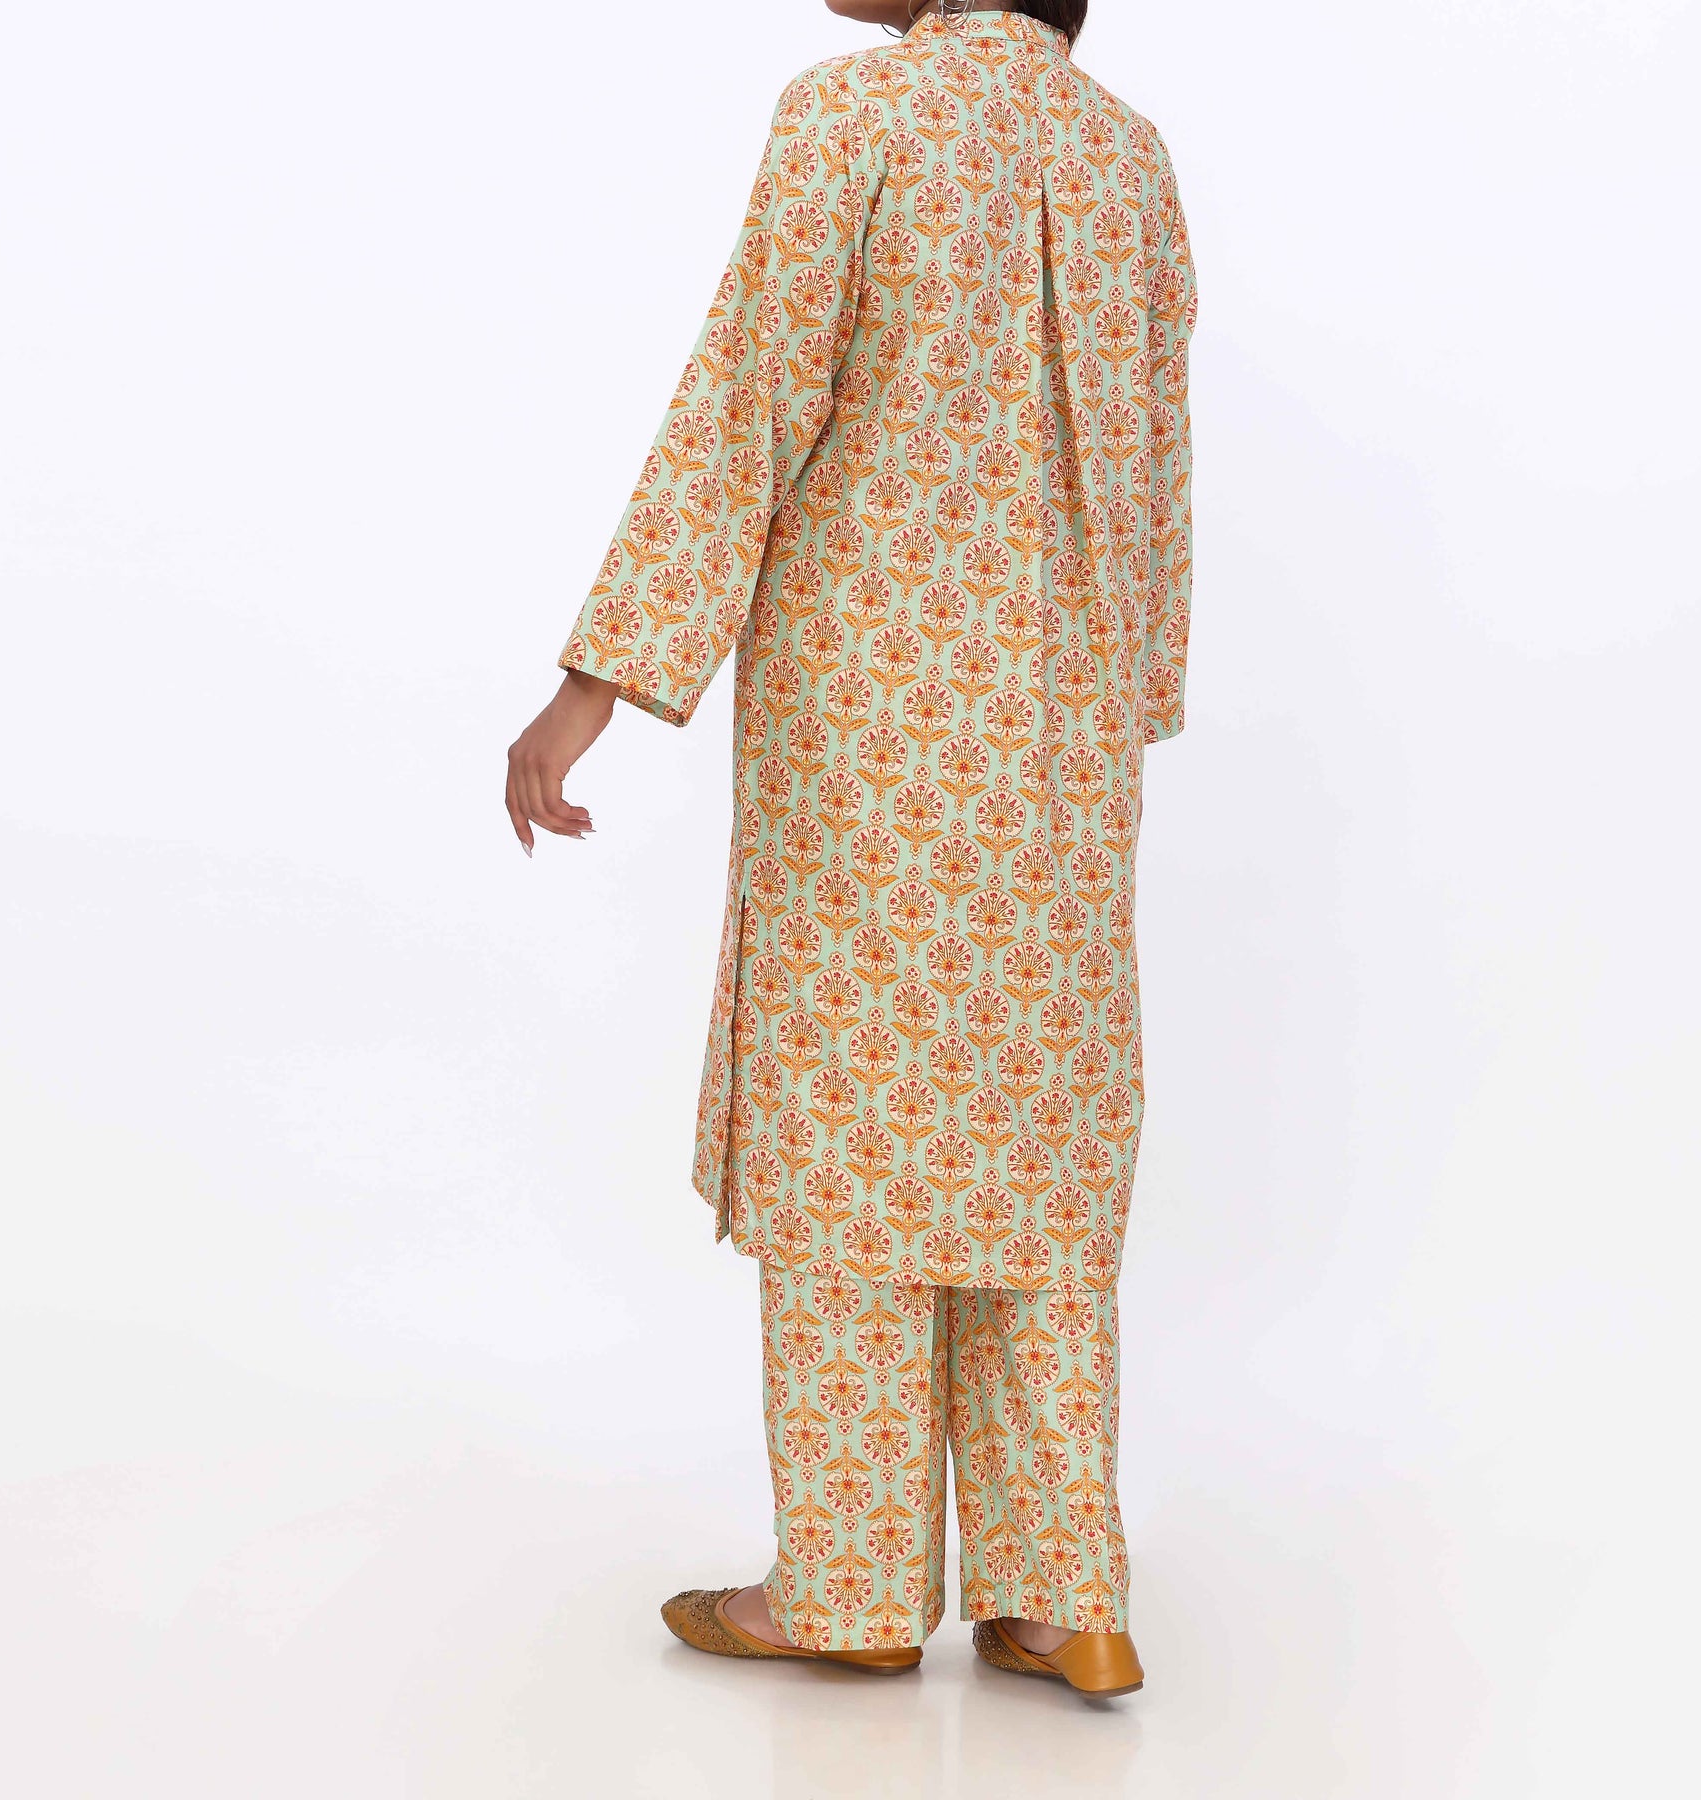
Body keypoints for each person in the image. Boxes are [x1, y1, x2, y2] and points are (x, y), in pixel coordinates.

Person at [506, 0, 1194, 1698]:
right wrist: (1128, 704)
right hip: (1062, 737)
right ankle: (1065, 1593)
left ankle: (851, 1588)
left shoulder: (854, 112)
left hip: (870, 721)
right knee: (1033, 1135)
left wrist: (597, 686)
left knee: (855, 1125)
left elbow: (747, 399)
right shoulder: (1127, 156)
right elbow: (1158, 473)